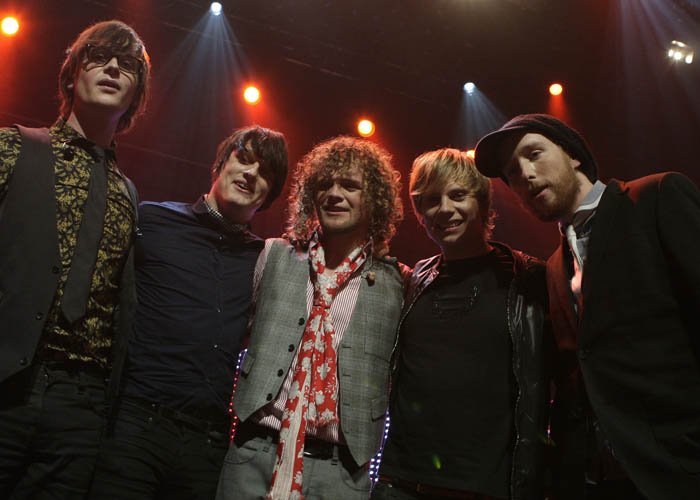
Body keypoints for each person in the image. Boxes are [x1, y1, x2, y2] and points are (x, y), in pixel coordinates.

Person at [474, 113, 700, 500]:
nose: (525, 174)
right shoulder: (553, 266)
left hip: (680, 467)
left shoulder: (656, 197)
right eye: (512, 172)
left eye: (534, 154)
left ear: (573, 154)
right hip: (598, 477)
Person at [87, 125, 288, 499]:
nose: (250, 174)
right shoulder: (152, 220)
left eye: (265, 173)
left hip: (206, 444)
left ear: (270, 194)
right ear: (220, 163)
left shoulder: (265, 259)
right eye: (244, 159)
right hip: (134, 426)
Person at [0, 20, 151, 499]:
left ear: (136, 95)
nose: (113, 68)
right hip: (7, 381)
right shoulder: (12, 149)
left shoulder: (129, 196)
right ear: (71, 75)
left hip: (81, 407)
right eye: (99, 57)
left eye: (127, 64)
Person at [216, 136, 405, 500]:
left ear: (374, 198)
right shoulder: (273, 255)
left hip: (340, 472)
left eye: (349, 185)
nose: (334, 194)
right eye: (324, 185)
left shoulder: (396, 282)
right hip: (254, 453)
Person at [372, 149, 550, 500]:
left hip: (487, 487)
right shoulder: (411, 281)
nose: (444, 209)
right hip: (400, 482)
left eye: (457, 195)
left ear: (482, 203)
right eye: (431, 200)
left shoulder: (528, 278)